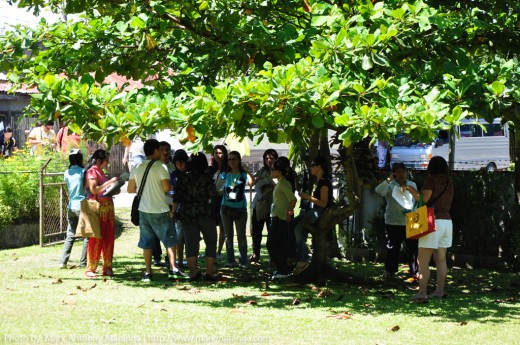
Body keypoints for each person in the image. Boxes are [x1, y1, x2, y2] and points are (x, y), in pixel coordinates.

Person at [127, 139, 187, 281]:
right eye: (160, 149)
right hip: (160, 209)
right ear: (154, 150)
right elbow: (166, 188)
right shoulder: (161, 167)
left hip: (143, 210)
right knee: (170, 240)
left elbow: (130, 189)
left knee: (146, 242)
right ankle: (173, 268)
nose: (162, 152)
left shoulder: (137, 166)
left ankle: (148, 272)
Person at [406, 156, 454, 302]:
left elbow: (423, 199)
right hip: (447, 222)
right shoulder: (449, 182)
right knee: (441, 260)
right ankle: (440, 291)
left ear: (430, 168)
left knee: (423, 261)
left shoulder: (431, 181)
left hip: (432, 221)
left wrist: (410, 188)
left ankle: (422, 293)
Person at [172, 152, 219, 281]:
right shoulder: (207, 178)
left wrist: (173, 213)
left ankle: (193, 272)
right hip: (205, 213)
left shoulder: (183, 178)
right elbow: (213, 196)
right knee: (210, 242)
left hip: (187, 213)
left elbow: (177, 198)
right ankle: (209, 273)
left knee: (191, 243)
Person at [375, 163, 418, 281]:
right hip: (392, 222)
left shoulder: (412, 184)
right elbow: (378, 191)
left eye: (403, 172)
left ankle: (414, 271)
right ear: (394, 173)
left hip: (410, 221)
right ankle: (390, 270)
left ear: (406, 173)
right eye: (398, 172)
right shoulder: (390, 185)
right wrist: (389, 180)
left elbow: (417, 200)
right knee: (392, 248)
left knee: (413, 248)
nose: (401, 174)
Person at [292, 156, 334, 271]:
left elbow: (323, 203)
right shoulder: (319, 181)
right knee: (293, 223)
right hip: (315, 211)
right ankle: (297, 256)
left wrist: (307, 197)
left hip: (320, 211)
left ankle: (301, 260)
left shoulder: (324, 182)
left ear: (319, 166)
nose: (310, 168)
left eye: (312, 165)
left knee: (298, 229)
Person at [84, 150, 120, 278]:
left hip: (108, 208)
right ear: (99, 161)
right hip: (97, 208)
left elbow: (104, 189)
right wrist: (110, 182)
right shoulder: (92, 171)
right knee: (96, 238)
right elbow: (94, 189)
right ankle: (91, 268)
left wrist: (115, 188)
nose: (108, 163)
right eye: (106, 161)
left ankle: (107, 267)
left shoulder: (101, 172)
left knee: (108, 237)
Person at [220, 151, 253, 268]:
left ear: (239, 160)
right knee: (228, 236)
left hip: (240, 209)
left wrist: (247, 170)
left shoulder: (243, 174)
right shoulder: (224, 174)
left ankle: (243, 261)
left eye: (234, 159)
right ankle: (230, 260)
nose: (231, 161)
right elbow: (218, 187)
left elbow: (251, 183)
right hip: (226, 207)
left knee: (241, 236)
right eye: (229, 159)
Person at [267, 157, 297, 279]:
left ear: (279, 171)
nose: (271, 172)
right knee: (278, 244)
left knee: (271, 244)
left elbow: (293, 199)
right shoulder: (280, 182)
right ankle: (284, 269)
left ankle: (283, 269)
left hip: (280, 217)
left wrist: (289, 214)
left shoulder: (284, 183)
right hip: (276, 216)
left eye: (273, 169)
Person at [59, 149, 89, 269]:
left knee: (70, 234)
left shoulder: (67, 172)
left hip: (71, 206)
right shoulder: (84, 171)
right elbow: (86, 187)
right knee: (87, 235)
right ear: (80, 159)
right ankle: (83, 263)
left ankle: (63, 262)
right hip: (83, 205)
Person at [150, 141, 176, 267]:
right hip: (156, 201)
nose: (165, 152)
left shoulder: (173, 166)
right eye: (162, 149)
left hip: (171, 202)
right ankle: (156, 256)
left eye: (167, 149)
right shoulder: (154, 166)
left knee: (170, 230)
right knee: (155, 231)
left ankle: (169, 257)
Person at [250, 149, 278, 264]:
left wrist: (268, 181)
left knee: (272, 232)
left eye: (271, 158)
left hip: (273, 205)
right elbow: (251, 183)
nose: (269, 160)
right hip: (259, 204)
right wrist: (254, 178)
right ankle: (256, 254)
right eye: (267, 158)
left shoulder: (279, 171)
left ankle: (273, 256)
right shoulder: (261, 171)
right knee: (256, 231)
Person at [208, 145, 229, 260]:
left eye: (220, 153)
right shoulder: (210, 169)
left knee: (223, 226)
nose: (218, 155)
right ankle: (211, 250)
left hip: (224, 200)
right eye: (216, 153)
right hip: (213, 200)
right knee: (211, 226)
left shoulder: (228, 168)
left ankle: (219, 251)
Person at [170, 149, 189, 269]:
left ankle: (189, 259)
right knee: (179, 237)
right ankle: (180, 261)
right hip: (178, 208)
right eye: (177, 163)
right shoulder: (174, 175)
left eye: (182, 163)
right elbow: (171, 189)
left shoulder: (190, 174)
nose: (180, 166)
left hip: (189, 208)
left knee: (190, 238)